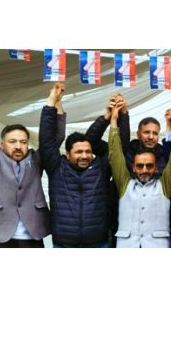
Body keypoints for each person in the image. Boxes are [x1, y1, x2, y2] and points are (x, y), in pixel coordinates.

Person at [0, 78, 65, 247]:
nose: (18, 146)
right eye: (12, 141)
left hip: (31, 236)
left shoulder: (36, 159)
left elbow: (55, 138)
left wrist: (55, 103)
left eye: (23, 142)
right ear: (2, 144)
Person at [39, 83, 113, 247]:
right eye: (79, 152)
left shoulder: (102, 167)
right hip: (64, 245)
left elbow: (98, 141)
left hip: (98, 244)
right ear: (67, 154)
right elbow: (46, 140)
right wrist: (52, 101)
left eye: (88, 151)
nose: (85, 156)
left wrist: (106, 118)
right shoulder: (57, 168)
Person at [109, 101, 171, 248]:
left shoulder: (164, 186)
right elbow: (114, 155)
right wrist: (113, 120)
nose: (144, 169)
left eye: (149, 166)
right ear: (133, 168)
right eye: (140, 166)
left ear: (156, 168)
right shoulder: (125, 184)